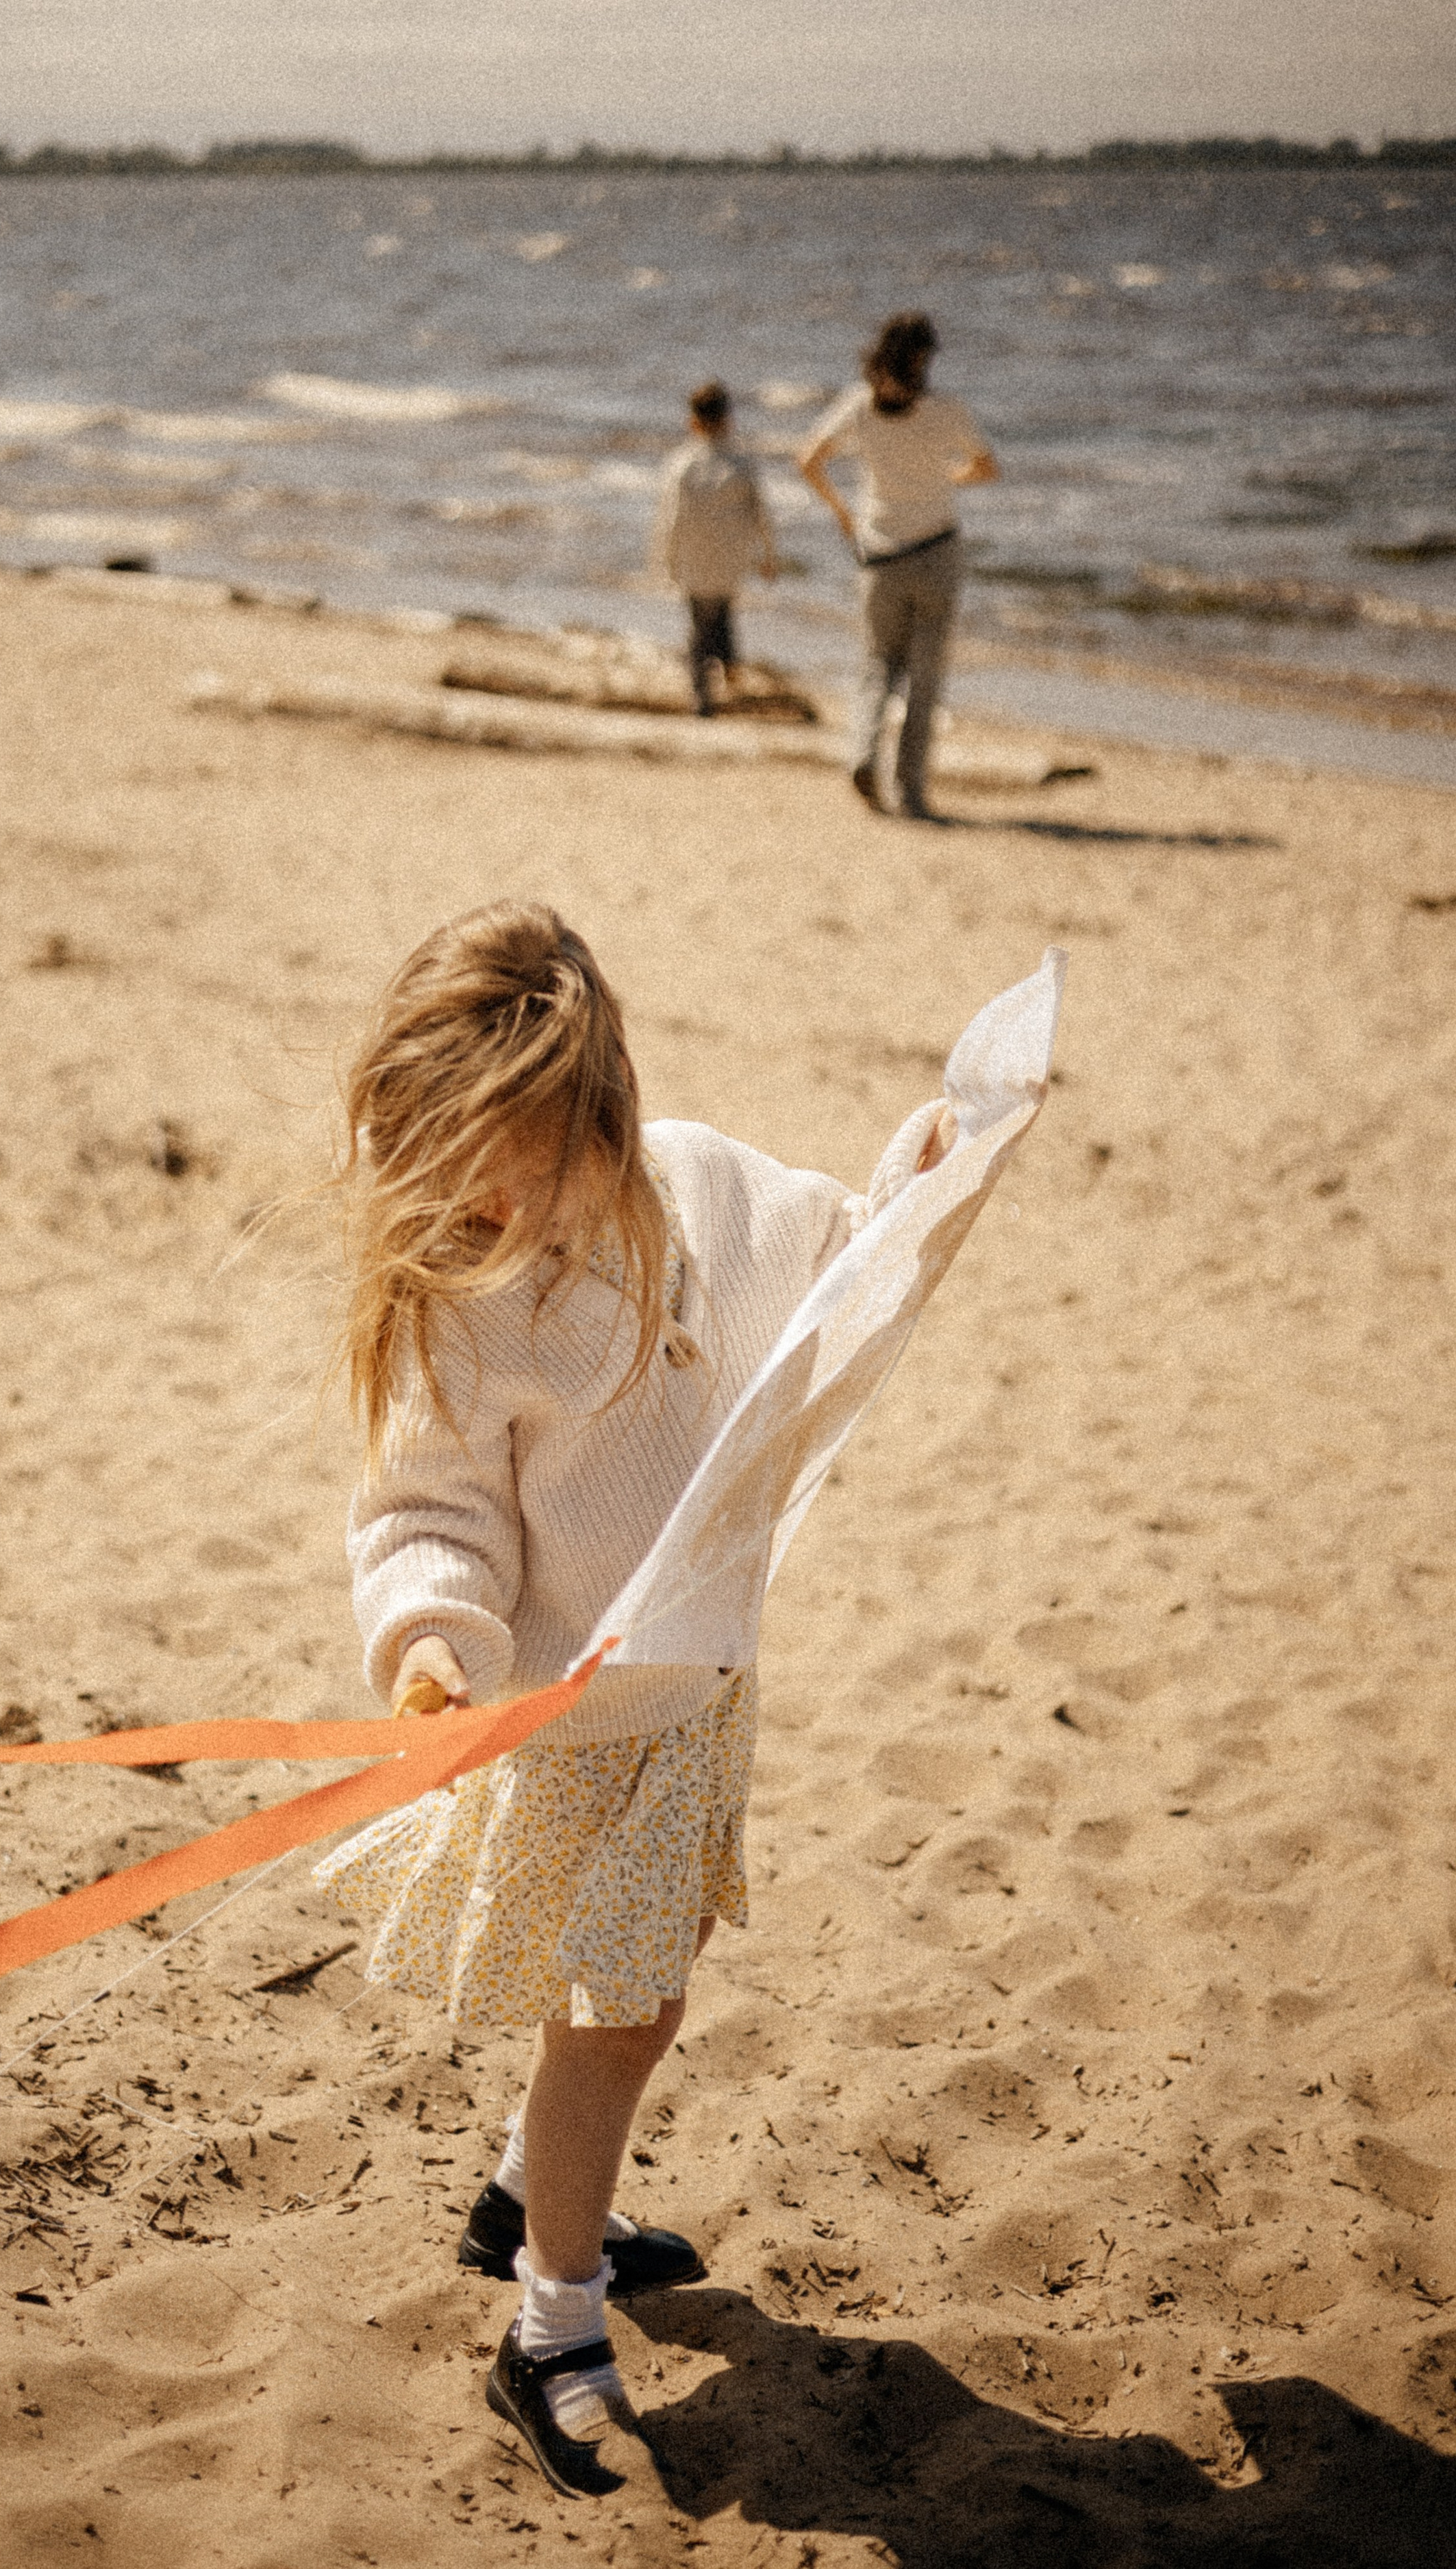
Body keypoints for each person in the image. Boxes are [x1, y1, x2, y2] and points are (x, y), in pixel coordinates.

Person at [312, 901, 957, 2497]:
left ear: (591, 1113)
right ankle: (546, 2319)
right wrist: (429, 1641)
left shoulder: (699, 1192)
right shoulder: (462, 1291)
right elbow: (421, 1510)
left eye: (505, 1159)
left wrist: (921, 1177)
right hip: (569, 1722)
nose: (473, 1198)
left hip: (689, 1688)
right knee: (613, 2014)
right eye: (446, 1160)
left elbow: (834, 1260)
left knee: (640, 1992)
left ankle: (532, 2190)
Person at [798, 312, 999, 823]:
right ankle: (910, 793)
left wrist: (844, 512)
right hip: (936, 551)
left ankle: (863, 756)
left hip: (881, 555)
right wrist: (947, 477)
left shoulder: (859, 407)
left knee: (877, 666)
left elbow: (808, 460)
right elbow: (987, 468)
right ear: (926, 359)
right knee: (924, 683)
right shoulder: (946, 411)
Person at [651, 379, 777, 715]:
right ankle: (730, 667)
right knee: (721, 612)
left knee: (699, 625)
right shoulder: (743, 464)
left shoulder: (682, 465)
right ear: (729, 420)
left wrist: (664, 560)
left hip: (695, 557)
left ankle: (702, 697)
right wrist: (769, 554)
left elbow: (671, 518)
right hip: (731, 558)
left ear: (692, 422)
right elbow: (762, 513)